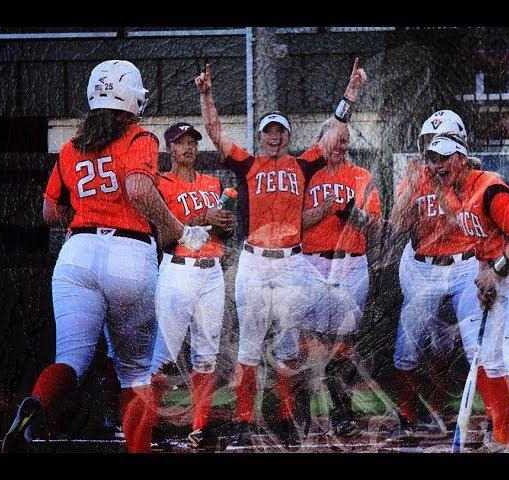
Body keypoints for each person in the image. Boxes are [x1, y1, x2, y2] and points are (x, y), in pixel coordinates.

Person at [1, 60, 210, 453]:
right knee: (136, 374)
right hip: (129, 253)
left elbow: (49, 213)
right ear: (133, 98)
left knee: (70, 362)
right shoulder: (139, 137)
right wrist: (179, 231)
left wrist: (85, 213)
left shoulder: (70, 145)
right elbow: (139, 189)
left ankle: (36, 404)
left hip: (76, 254)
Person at [195, 58, 367, 448]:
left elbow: (333, 133)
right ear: (261, 136)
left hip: (291, 262)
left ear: (287, 136)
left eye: (280, 132)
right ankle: (243, 419)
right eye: (268, 132)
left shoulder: (302, 164)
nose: (274, 138)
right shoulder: (248, 164)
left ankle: (287, 417)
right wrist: (206, 94)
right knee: (250, 344)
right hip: (255, 261)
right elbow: (216, 132)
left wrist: (350, 94)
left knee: (289, 343)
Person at [424, 135, 509, 452]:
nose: (437, 165)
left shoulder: (489, 188)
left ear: (461, 159)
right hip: (504, 271)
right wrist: (487, 277)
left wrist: (494, 273)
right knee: (490, 359)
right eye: (433, 159)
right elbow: (482, 240)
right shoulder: (456, 195)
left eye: (444, 158)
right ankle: (500, 440)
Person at [388, 112, 493, 441]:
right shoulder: (416, 175)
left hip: (464, 264)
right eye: (429, 147)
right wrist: (414, 186)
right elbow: (397, 223)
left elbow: (467, 223)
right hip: (423, 266)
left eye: (442, 147)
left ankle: (494, 417)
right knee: (407, 346)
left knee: (479, 348)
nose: (434, 154)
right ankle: (407, 416)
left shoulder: (475, 178)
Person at [149, 121, 236, 449]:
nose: (188, 147)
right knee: (164, 353)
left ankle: (199, 428)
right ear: (169, 149)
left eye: (192, 142)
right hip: (178, 269)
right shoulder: (161, 182)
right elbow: (164, 234)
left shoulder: (213, 182)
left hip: (211, 271)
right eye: (180, 142)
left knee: (206, 356)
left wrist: (225, 223)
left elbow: (221, 232)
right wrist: (204, 217)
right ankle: (150, 420)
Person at [296, 117, 382, 438]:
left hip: (351, 264)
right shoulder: (306, 175)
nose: (338, 146)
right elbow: (292, 222)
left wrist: (353, 214)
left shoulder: (362, 177)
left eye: (344, 140)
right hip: (312, 264)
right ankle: (303, 408)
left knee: (344, 341)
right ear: (321, 142)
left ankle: (342, 410)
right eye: (333, 140)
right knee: (309, 340)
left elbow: (375, 225)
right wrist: (325, 209)